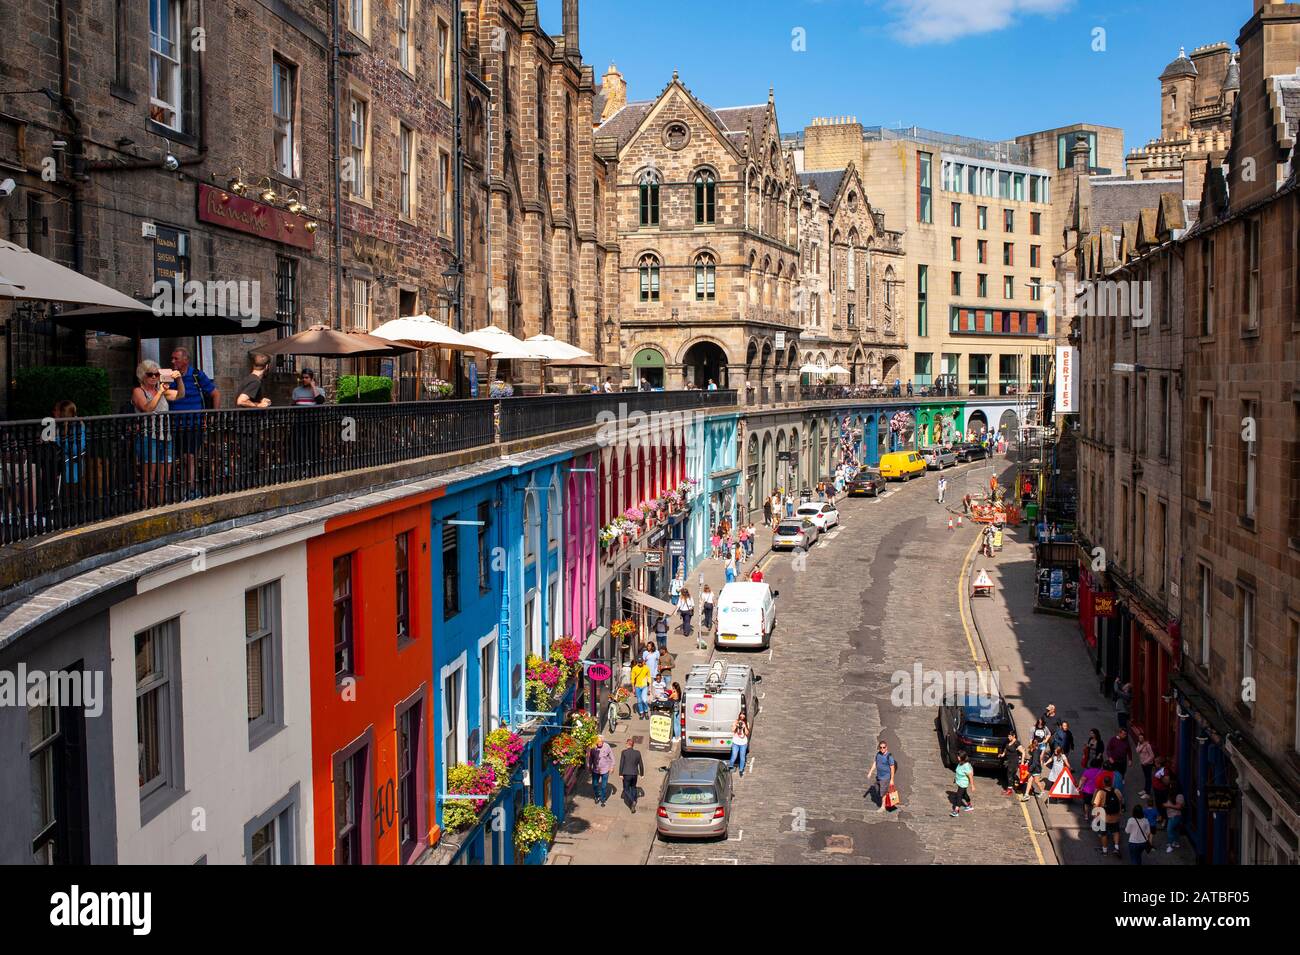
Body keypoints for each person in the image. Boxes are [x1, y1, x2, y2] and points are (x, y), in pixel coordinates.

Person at [132, 359, 184, 508]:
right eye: (150, 374)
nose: (154, 377)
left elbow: (180, 395)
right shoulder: (138, 391)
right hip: (149, 437)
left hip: (165, 436)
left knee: (164, 477)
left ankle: (161, 504)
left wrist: (179, 379)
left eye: (156, 374)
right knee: (149, 476)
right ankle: (146, 505)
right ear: (143, 376)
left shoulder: (162, 391)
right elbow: (148, 409)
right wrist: (160, 391)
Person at [169, 346, 218, 496]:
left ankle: (190, 488)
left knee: (189, 456)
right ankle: (177, 487)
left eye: (176, 358)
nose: (172, 361)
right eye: (172, 358)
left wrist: (212, 415)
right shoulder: (169, 376)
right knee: (176, 457)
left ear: (185, 360)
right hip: (173, 424)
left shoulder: (196, 375)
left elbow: (215, 393)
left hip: (193, 423)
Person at [1094, 774, 1123, 855]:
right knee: (1116, 832)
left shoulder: (1101, 792)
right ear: (1111, 782)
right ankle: (1116, 848)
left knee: (1104, 834)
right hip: (1115, 817)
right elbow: (1121, 801)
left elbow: (1096, 805)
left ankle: (1105, 851)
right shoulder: (1117, 791)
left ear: (1104, 783)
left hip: (1104, 818)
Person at [619, 738, 644, 813]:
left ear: (627, 744)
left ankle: (633, 800)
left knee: (626, 789)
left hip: (626, 774)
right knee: (633, 787)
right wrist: (642, 774)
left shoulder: (624, 752)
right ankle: (634, 801)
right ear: (633, 745)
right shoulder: (638, 753)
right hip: (634, 774)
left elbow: (621, 764)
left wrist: (620, 773)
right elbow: (641, 764)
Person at [587, 735, 614, 806]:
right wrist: (589, 766)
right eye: (598, 742)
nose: (599, 743)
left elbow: (612, 758)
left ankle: (603, 799)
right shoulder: (593, 747)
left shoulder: (607, 746)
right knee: (595, 784)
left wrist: (612, 767)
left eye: (601, 742)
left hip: (605, 770)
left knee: (604, 786)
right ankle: (597, 796)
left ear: (603, 741)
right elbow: (591, 758)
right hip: (596, 770)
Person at [872, 740, 897, 811]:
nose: (882, 749)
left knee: (883, 793)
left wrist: (892, 779)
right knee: (877, 789)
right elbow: (875, 762)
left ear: (886, 747)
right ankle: (886, 800)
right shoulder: (878, 754)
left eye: (884, 747)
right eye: (881, 747)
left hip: (885, 778)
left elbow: (892, 768)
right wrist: (870, 772)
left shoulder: (889, 757)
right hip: (879, 777)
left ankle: (883, 806)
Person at [1163, 778, 1184, 852]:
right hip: (1171, 815)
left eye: (1171, 785)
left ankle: (1171, 845)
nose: (1170, 786)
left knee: (1169, 830)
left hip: (1175, 816)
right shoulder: (1172, 794)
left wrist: (1168, 805)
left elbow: (1179, 807)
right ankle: (1176, 842)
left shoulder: (1179, 795)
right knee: (1175, 830)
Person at [950, 750, 974, 816]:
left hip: (963, 784)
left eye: (958, 756)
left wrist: (972, 785)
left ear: (962, 757)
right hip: (960, 782)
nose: (957, 757)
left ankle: (956, 811)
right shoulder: (961, 762)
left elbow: (970, 776)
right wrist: (956, 779)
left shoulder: (966, 765)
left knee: (959, 796)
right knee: (964, 795)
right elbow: (958, 771)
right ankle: (969, 805)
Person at [999, 731, 1022, 797]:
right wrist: (1002, 754)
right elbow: (1006, 748)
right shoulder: (1008, 741)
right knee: (1010, 775)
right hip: (1009, 761)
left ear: (1013, 736)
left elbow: (1023, 752)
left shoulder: (1016, 743)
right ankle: (1013, 787)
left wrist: (1022, 761)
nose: (1008, 737)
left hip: (1014, 761)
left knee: (1010, 775)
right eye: (1008, 736)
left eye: (1010, 736)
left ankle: (1010, 790)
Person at [1135, 732, 1156, 797]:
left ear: (1144, 738)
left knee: (1148, 778)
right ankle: (1145, 790)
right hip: (1143, 764)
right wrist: (1141, 745)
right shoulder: (1139, 744)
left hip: (1148, 764)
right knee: (1146, 777)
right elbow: (1137, 751)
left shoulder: (1148, 745)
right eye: (1139, 738)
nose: (1140, 739)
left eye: (1141, 738)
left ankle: (1148, 793)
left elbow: (1152, 755)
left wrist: (1145, 762)